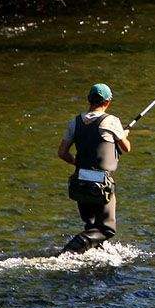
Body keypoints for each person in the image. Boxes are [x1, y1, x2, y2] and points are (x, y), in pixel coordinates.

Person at [56, 83, 131, 254]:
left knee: (91, 225)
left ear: (89, 100)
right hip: (100, 183)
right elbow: (126, 148)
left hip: (80, 180)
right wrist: (122, 135)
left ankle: (91, 253)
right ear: (108, 102)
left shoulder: (74, 122)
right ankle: (70, 250)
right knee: (106, 229)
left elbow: (62, 153)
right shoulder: (111, 121)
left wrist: (77, 163)